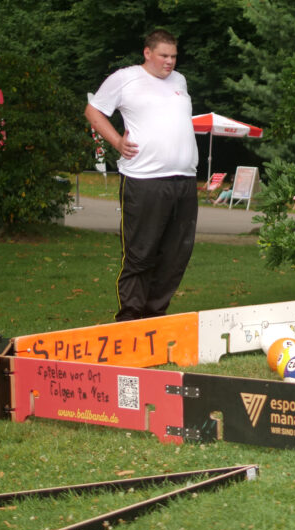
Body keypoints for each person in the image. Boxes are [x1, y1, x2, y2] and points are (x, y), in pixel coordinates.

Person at [84, 29, 199, 322]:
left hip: (184, 179)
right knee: (141, 252)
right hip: (144, 180)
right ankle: (130, 317)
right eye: (163, 55)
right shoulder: (126, 78)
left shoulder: (179, 81)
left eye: (174, 56)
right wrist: (117, 141)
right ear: (147, 53)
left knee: (176, 255)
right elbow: (93, 111)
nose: (169, 61)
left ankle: (154, 314)